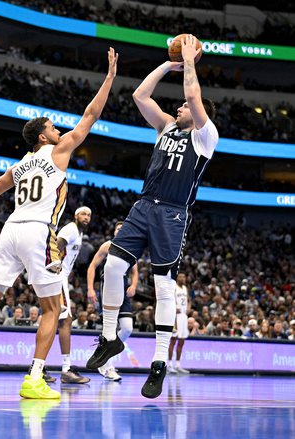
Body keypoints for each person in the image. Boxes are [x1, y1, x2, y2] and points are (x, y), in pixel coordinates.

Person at [0, 48, 118, 399]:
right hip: (37, 232)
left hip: (10, 231)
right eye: (52, 128)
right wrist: (108, 79)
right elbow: (90, 115)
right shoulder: (57, 152)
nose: (59, 130)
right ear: (43, 137)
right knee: (53, 308)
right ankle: (34, 378)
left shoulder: (17, 167)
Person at [86, 35, 218, 399]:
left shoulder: (206, 136)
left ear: (200, 113)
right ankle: (109, 338)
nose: (178, 108)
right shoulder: (164, 128)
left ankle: (159, 362)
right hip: (144, 206)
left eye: (185, 108)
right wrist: (168, 65)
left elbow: (193, 96)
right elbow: (139, 97)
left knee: (163, 287)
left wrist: (190, 61)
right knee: (113, 267)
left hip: (174, 215)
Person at [44, 207, 92, 385]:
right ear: (75, 215)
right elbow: (56, 245)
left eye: (88, 215)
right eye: (83, 214)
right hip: (57, 276)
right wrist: (54, 269)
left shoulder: (78, 233)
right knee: (65, 320)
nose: (86, 217)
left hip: (59, 276)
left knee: (54, 319)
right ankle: (66, 369)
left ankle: (40, 368)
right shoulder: (71, 229)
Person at [86, 221, 138, 382]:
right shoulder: (107, 245)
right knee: (109, 328)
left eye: (123, 229)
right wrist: (90, 288)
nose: (121, 230)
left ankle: (105, 355)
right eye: (118, 228)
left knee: (127, 328)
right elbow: (92, 266)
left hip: (123, 286)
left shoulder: (132, 247)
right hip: (107, 286)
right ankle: (107, 366)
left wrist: (134, 285)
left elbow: (135, 271)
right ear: (114, 231)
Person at [169, 273, 190, 374]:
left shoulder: (185, 288)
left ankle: (177, 365)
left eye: (184, 276)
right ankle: (169, 365)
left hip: (183, 317)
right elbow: (169, 300)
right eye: (181, 277)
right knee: (173, 340)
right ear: (177, 278)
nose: (183, 278)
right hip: (175, 317)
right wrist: (173, 307)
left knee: (181, 341)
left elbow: (189, 300)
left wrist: (189, 308)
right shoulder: (174, 287)